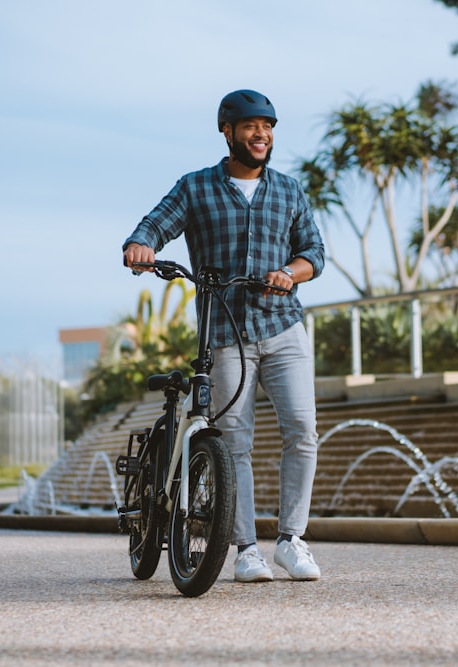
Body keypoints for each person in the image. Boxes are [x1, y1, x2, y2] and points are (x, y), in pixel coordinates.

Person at [122, 89, 325, 583]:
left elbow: (314, 253)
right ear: (228, 131)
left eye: (269, 127)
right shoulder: (196, 188)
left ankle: (291, 541)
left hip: (282, 329)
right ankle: (246, 550)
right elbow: (156, 223)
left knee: (303, 430)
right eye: (252, 126)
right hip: (225, 333)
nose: (262, 135)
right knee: (234, 442)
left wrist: (290, 273)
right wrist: (140, 244)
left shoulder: (288, 190)